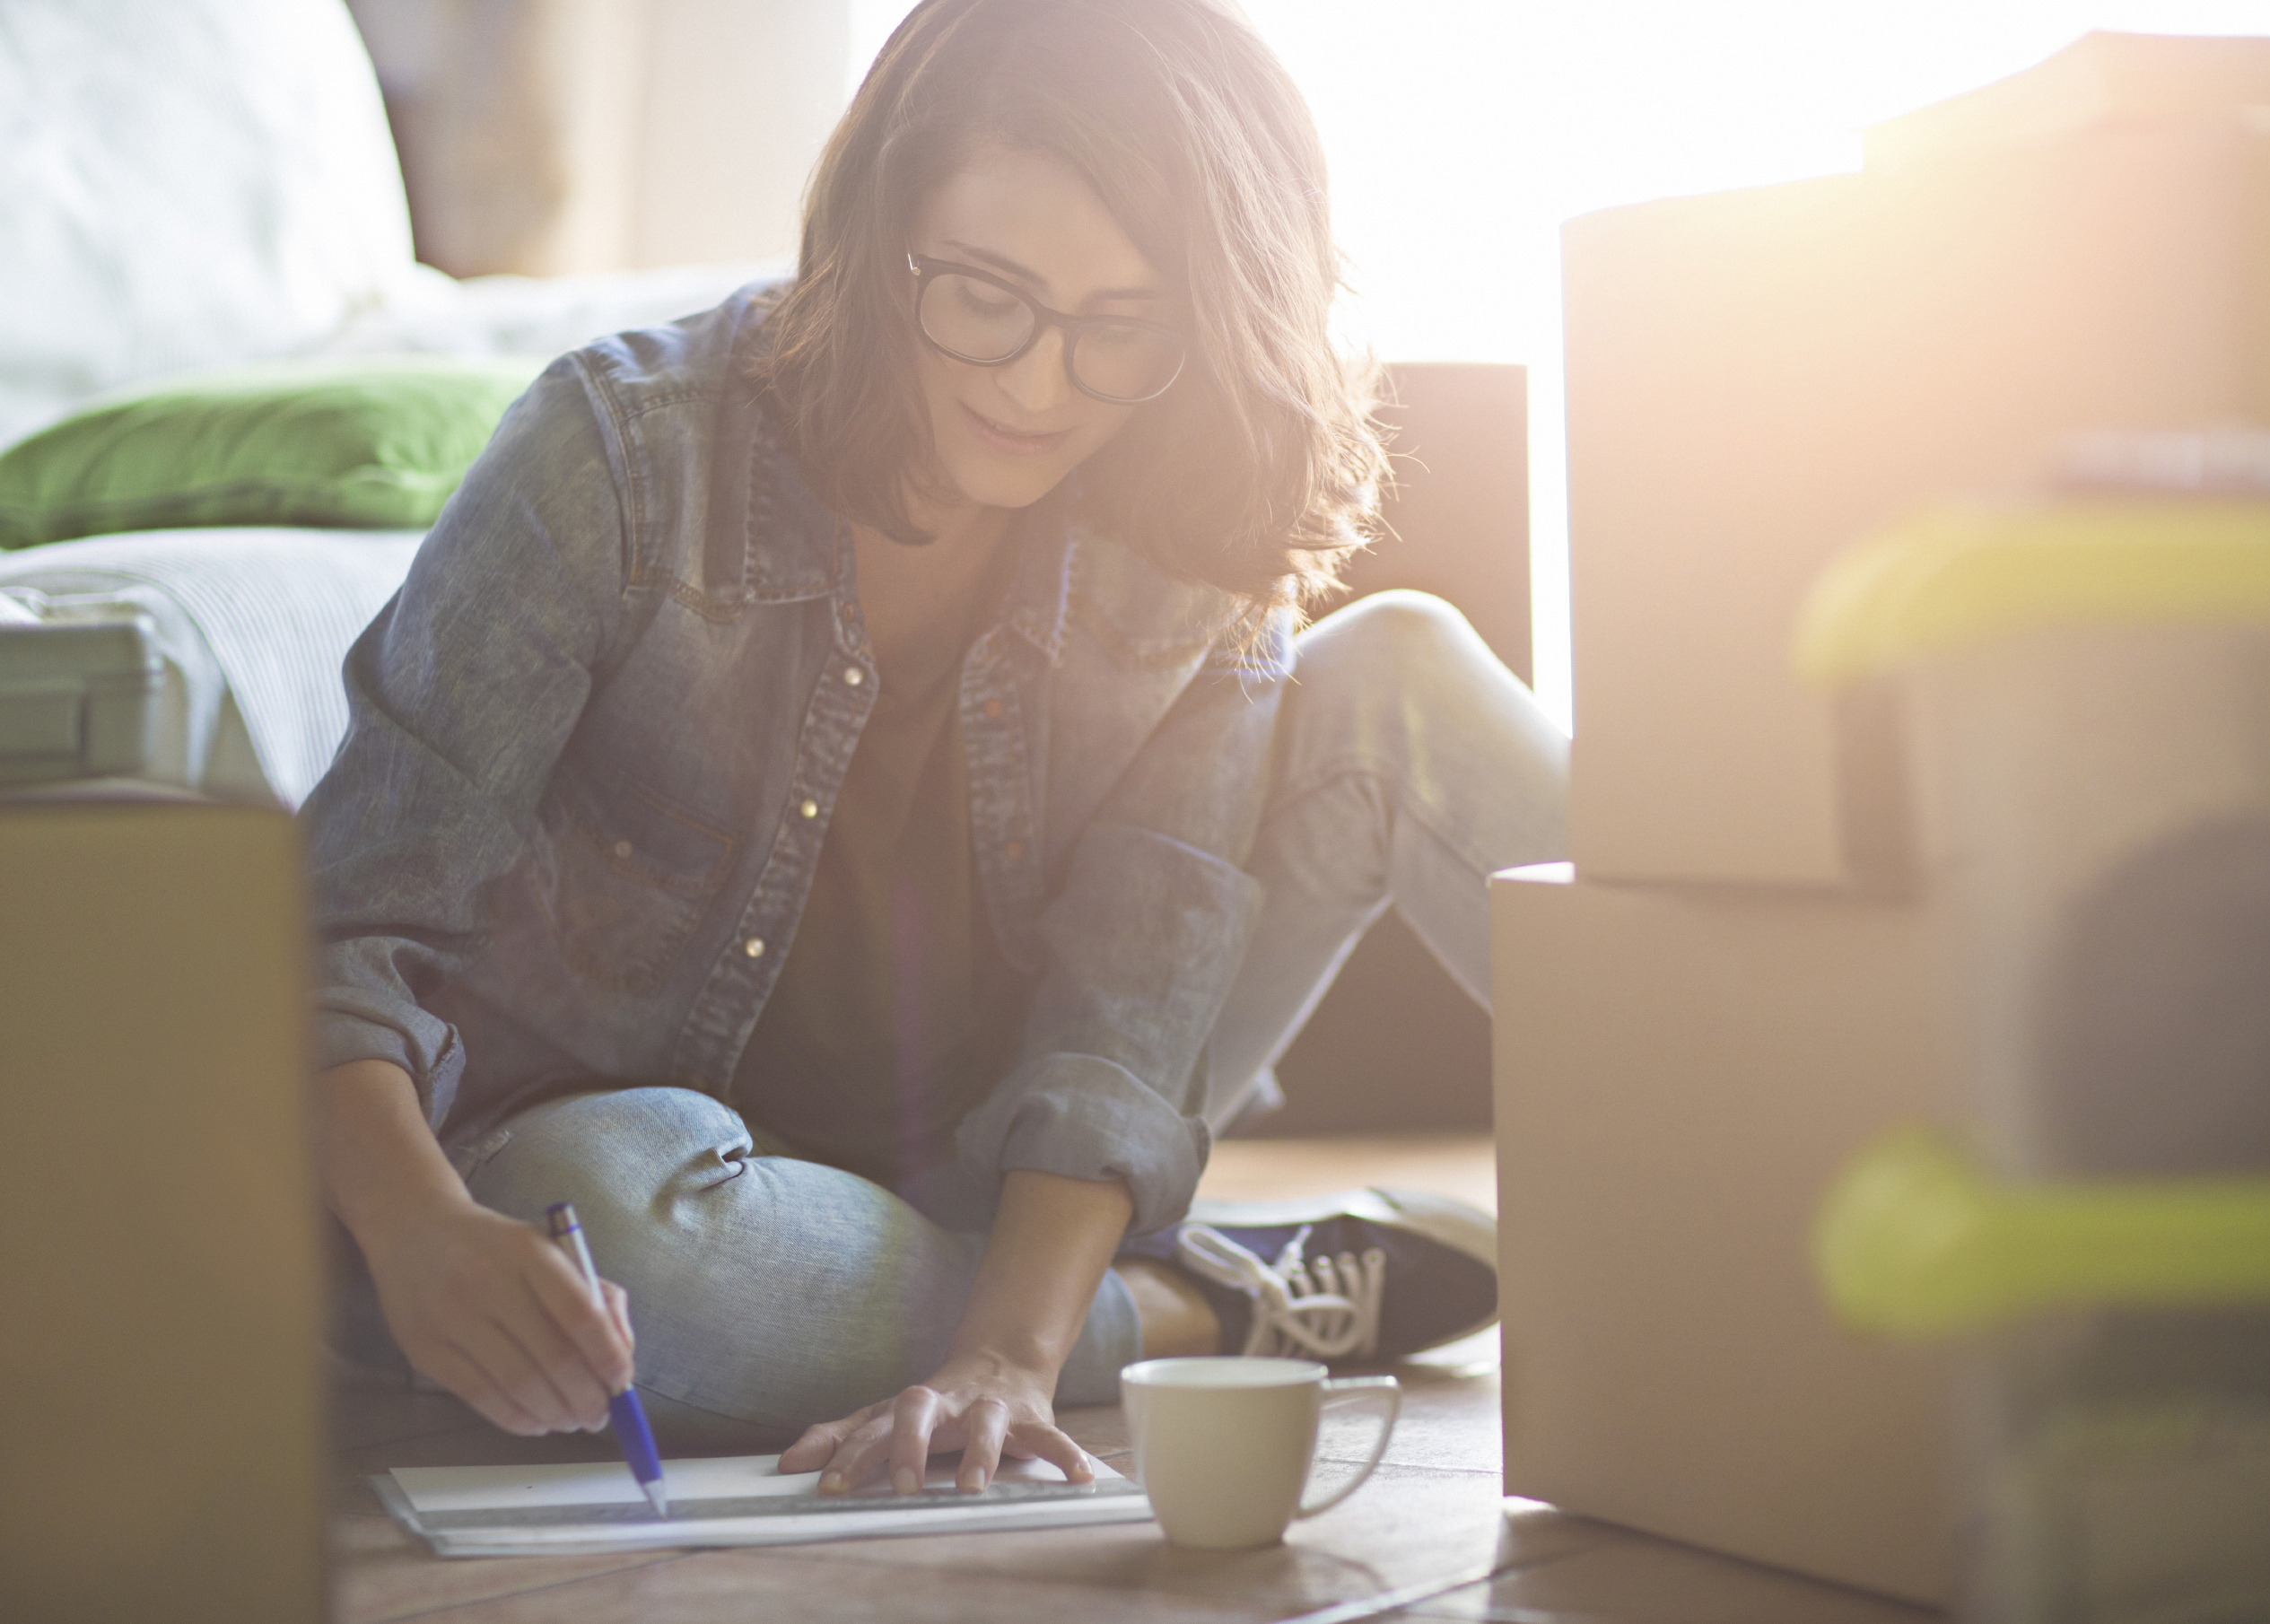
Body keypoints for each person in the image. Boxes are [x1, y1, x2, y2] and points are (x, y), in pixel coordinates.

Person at [307, 0, 1565, 1497]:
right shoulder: (621, 461)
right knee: (604, 1224)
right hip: (673, 1179)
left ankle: (1819, 1170)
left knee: (1405, 666)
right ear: (881, 229)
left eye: (1123, 325)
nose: (1039, 385)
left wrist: (1011, 1356)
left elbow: (1129, 998)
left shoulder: (1182, 501)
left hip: (1019, 1144)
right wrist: (414, 1231)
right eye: (986, 294)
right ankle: (1206, 1301)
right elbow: (334, 928)